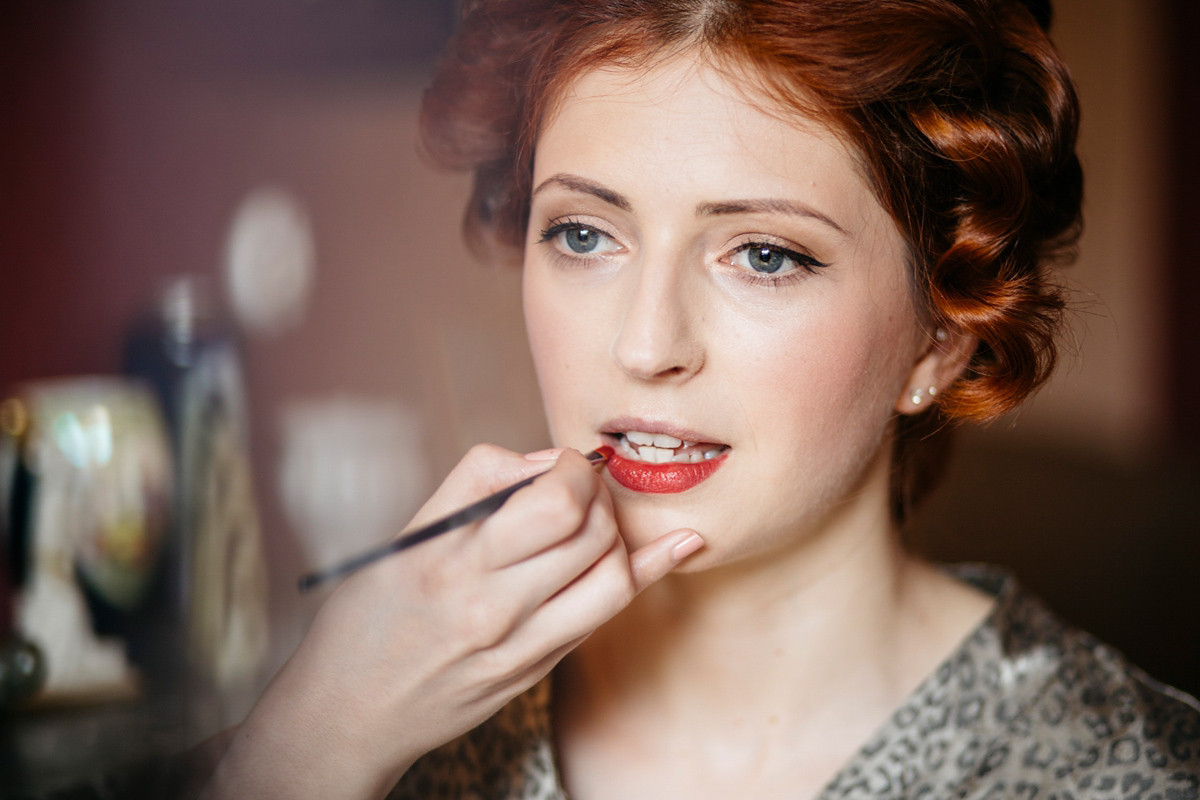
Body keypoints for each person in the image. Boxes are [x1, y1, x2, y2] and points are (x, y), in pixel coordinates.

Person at [199, 1, 1200, 798]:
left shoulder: (1132, 771)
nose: (644, 346)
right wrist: (311, 741)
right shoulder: (366, 725)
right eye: (585, 234)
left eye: (764, 255)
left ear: (942, 335)